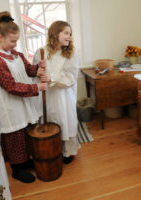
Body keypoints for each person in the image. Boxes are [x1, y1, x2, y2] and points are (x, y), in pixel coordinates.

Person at [0, 11, 48, 183]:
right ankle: (17, 169)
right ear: (0, 37)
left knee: (25, 132)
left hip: (22, 101)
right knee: (15, 136)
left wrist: (38, 68)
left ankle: (26, 161)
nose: (15, 44)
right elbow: (10, 86)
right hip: (9, 105)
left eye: (16, 41)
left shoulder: (16, 54)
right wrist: (37, 87)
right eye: (12, 41)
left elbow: (27, 70)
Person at [33, 20, 80, 164]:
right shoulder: (41, 52)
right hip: (47, 94)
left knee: (65, 120)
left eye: (70, 34)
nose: (69, 37)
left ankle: (67, 152)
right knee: (50, 119)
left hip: (63, 95)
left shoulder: (71, 54)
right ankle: (52, 148)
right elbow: (35, 71)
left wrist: (52, 77)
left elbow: (71, 77)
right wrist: (40, 73)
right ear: (55, 33)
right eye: (66, 33)